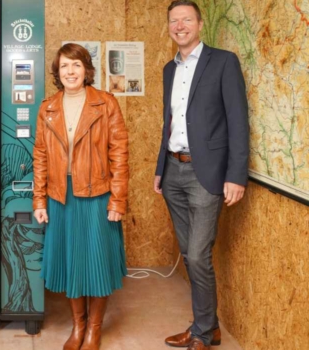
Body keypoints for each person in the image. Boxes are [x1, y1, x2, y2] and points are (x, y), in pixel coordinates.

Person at [154, 1, 249, 349]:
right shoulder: (169, 69)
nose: (180, 26)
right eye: (174, 21)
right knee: (190, 252)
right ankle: (206, 326)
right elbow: (169, 124)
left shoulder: (223, 62)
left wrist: (236, 176)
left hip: (207, 174)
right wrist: (159, 169)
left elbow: (238, 122)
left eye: (186, 19)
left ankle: (203, 332)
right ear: (169, 26)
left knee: (197, 255)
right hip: (173, 171)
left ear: (200, 23)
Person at [33, 43, 129, 350]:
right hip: (61, 197)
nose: (70, 72)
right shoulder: (48, 107)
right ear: (57, 73)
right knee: (72, 263)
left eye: (76, 65)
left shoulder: (106, 103)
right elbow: (40, 156)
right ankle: (78, 326)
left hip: (98, 195)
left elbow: (120, 154)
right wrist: (39, 200)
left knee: (97, 264)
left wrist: (117, 200)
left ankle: (94, 329)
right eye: (64, 66)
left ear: (86, 70)